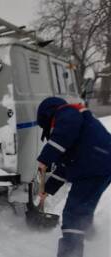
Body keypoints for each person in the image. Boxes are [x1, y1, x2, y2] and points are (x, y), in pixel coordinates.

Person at [36, 97, 111, 257]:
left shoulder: (67, 113)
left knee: (74, 213)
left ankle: (70, 254)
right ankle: (92, 237)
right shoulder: (74, 131)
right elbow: (65, 167)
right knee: (84, 208)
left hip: (94, 167)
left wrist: (44, 159)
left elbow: (62, 135)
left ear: (48, 115)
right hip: (100, 166)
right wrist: (47, 190)